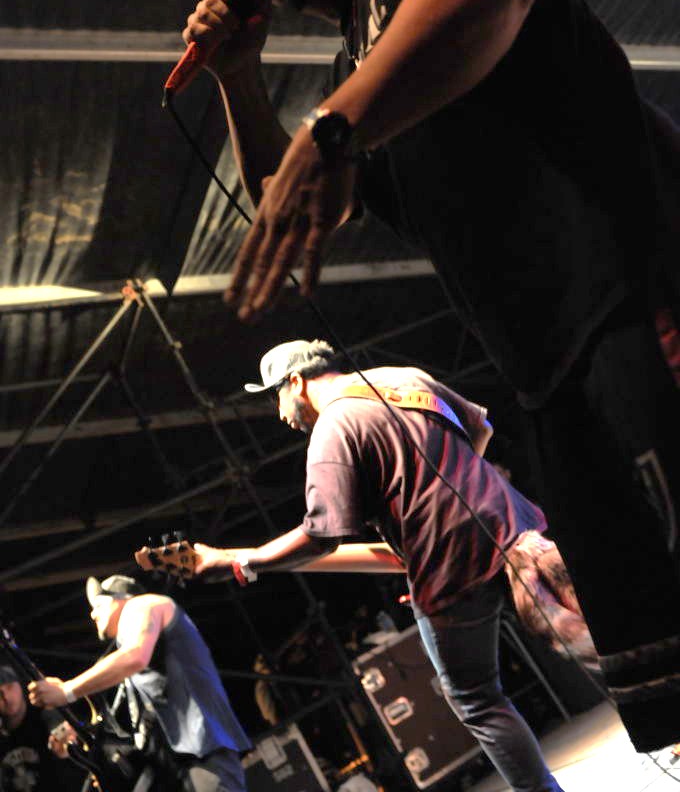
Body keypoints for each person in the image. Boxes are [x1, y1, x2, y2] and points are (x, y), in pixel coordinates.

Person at [181, 0, 680, 749]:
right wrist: (238, 77)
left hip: (637, 291)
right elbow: (304, 209)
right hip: (549, 372)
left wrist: (336, 125)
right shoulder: (355, 68)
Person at [192, 338, 566, 792]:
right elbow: (480, 428)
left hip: (450, 572)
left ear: (297, 382)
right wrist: (458, 500)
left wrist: (239, 558)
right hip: (513, 524)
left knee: (476, 698)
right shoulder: (403, 377)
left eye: (276, 397)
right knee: (588, 632)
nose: (279, 413)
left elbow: (321, 536)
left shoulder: (332, 430)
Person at [28, 575, 250, 792]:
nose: (92, 614)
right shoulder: (136, 669)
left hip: (203, 759)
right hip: (175, 767)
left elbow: (135, 656)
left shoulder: (142, 604)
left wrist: (67, 691)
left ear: (121, 598)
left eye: (98, 604)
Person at [0, 663, 80, 791]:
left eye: (10, 687)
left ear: (20, 685)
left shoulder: (47, 717)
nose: (6, 697)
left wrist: (65, 750)